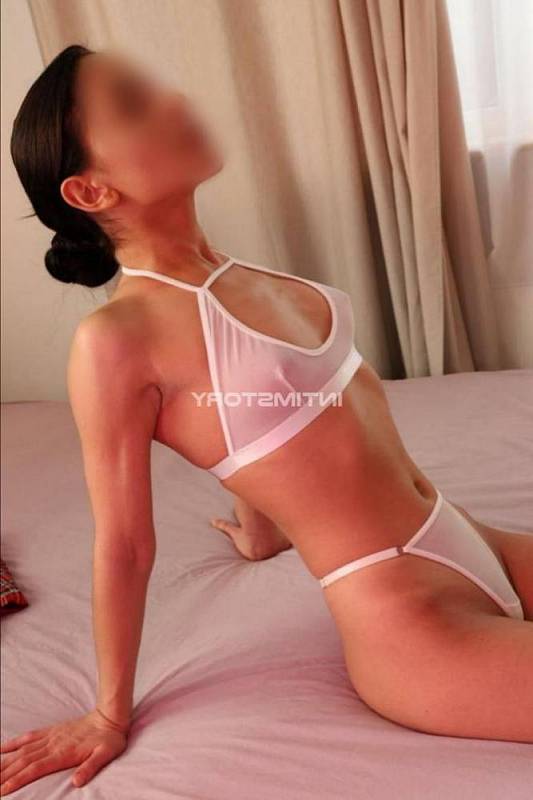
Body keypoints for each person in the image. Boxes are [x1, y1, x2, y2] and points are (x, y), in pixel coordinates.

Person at [2, 43, 532, 795]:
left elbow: (251, 415)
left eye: (158, 86)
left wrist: (260, 528)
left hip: (473, 539)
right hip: (411, 626)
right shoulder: (114, 341)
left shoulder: (241, 276)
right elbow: (122, 543)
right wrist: (106, 714)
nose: (175, 101)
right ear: (90, 189)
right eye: (135, 104)